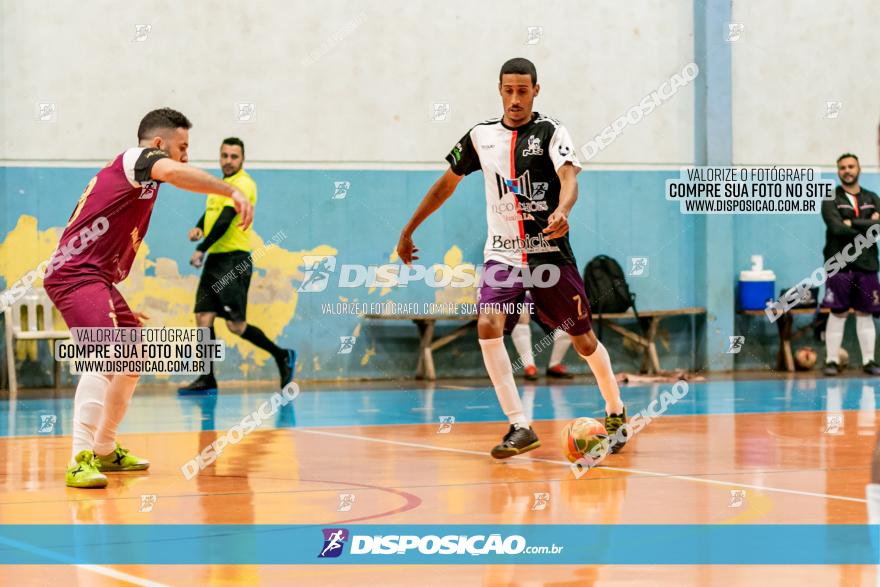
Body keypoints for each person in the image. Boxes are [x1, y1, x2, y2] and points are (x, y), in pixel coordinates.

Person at [396, 57, 627, 459]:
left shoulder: (551, 131)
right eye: (508, 90)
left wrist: (564, 210)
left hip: (549, 256)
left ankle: (615, 411)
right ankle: (520, 425)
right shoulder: (480, 137)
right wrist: (408, 229)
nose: (515, 98)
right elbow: (445, 185)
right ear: (499, 90)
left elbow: (570, 177)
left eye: (523, 90)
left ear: (536, 90)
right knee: (487, 324)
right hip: (502, 256)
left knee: (583, 341)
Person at [43, 108, 254, 488]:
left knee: (134, 355)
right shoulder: (137, 158)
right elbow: (173, 171)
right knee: (106, 354)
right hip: (76, 275)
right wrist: (230, 189)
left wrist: (108, 300)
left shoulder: (136, 177)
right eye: (183, 146)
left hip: (97, 280)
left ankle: (105, 448)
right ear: (159, 145)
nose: (186, 156)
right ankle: (79, 458)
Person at [178, 137, 295, 394]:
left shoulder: (243, 184)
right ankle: (207, 377)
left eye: (234, 157)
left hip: (234, 262)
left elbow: (225, 219)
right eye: (224, 156)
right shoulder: (220, 185)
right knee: (203, 317)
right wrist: (199, 226)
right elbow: (212, 213)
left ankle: (282, 355)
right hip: (216, 260)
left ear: (242, 159)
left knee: (236, 326)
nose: (228, 161)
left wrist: (201, 248)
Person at [821, 153, 880, 376]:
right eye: (842, 167)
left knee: (866, 313)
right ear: (838, 171)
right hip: (839, 264)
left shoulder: (873, 197)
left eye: (851, 166)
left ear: (859, 169)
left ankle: (869, 361)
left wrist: (853, 222)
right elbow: (836, 229)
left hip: (867, 263)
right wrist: (869, 224)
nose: (847, 170)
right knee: (838, 312)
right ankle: (832, 361)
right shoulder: (830, 199)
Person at [510, 293, 574, 380]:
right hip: (520, 296)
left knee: (568, 321)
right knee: (521, 315)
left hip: (546, 296)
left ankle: (554, 365)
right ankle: (529, 366)